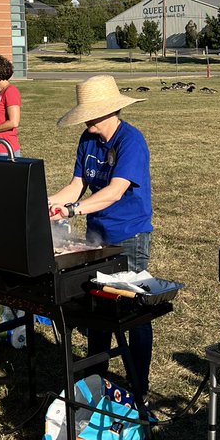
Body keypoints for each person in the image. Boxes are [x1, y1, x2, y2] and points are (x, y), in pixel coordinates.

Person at [48, 74, 154, 395]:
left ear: (106, 111)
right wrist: (46, 202)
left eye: (88, 114)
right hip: (96, 237)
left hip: (129, 238)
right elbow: (77, 185)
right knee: (98, 309)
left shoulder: (131, 142)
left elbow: (114, 192)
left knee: (134, 311)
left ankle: (139, 384)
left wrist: (73, 210)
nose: (84, 120)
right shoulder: (88, 140)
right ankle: (95, 377)